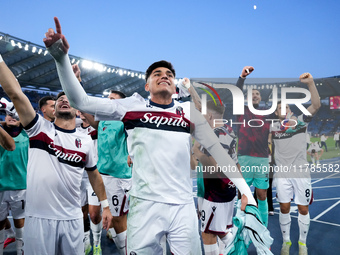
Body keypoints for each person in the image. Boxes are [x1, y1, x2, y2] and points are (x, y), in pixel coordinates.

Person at [43, 17, 256, 254]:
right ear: (147, 85)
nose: (163, 75)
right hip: (145, 207)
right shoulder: (131, 106)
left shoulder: (188, 112)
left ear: (176, 87)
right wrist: (60, 58)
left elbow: (219, 152)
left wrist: (247, 193)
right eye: (156, 73)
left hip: (182, 208)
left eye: (168, 74)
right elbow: (80, 101)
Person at [0, 54, 112, 254]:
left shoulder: (85, 140)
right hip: (39, 219)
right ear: (52, 109)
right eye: (59, 99)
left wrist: (105, 206)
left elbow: (94, 175)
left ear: (77, 107)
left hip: (72, 219)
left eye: (68, 98)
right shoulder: (38, 129)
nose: (63, 100)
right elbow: (15, 93)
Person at [269, 72, 320, 255]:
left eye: (287, 106)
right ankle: (286, 243)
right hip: (282, 174)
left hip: (300, 172)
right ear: (276, 112)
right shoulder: (273, 128)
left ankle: (302, 244)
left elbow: (316, 105)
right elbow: (267, 146)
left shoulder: (300, 122)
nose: (285, 109)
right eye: (281, 108)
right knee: (283, 207)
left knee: (303, 208)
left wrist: (311, 84)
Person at [81, 89, 132, 255]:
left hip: (119, 178)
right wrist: (78, 84)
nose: (109, 101)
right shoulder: (102, 121)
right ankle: (97, 245)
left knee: (119, 220)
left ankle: (126, 250)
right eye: (108, 98)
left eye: (113, 99)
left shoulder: (126, 120)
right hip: (100, 176)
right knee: (94, 213)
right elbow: (83, 106)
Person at [193, 100, 238, 255]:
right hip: (224, 189)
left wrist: (196, 150)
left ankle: (240, 245)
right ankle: (234, 246)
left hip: (218, 192)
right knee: (219, 230)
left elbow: (214, 167)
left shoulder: (218, 134)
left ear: (209, 115)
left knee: (208, 232)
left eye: (202, 113)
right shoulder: (228, 130)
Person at [235, 66, 273, 227]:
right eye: (252, 94)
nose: (255, 95)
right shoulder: (241, 110)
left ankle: (263, 230)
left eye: (257, 93)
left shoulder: (267, 112)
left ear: (260, 97)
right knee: (243, 195)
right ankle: (240, 233)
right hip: (244, 157)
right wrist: (242, 78)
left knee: (262, 195)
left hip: (262, 159)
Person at [0, 113, 29, 255]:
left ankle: (20, 251)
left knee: (19, 221)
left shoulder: (28, 134)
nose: (11, 117)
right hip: (0, 186)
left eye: (15, 115)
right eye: (8, 115)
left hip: (21, 185)